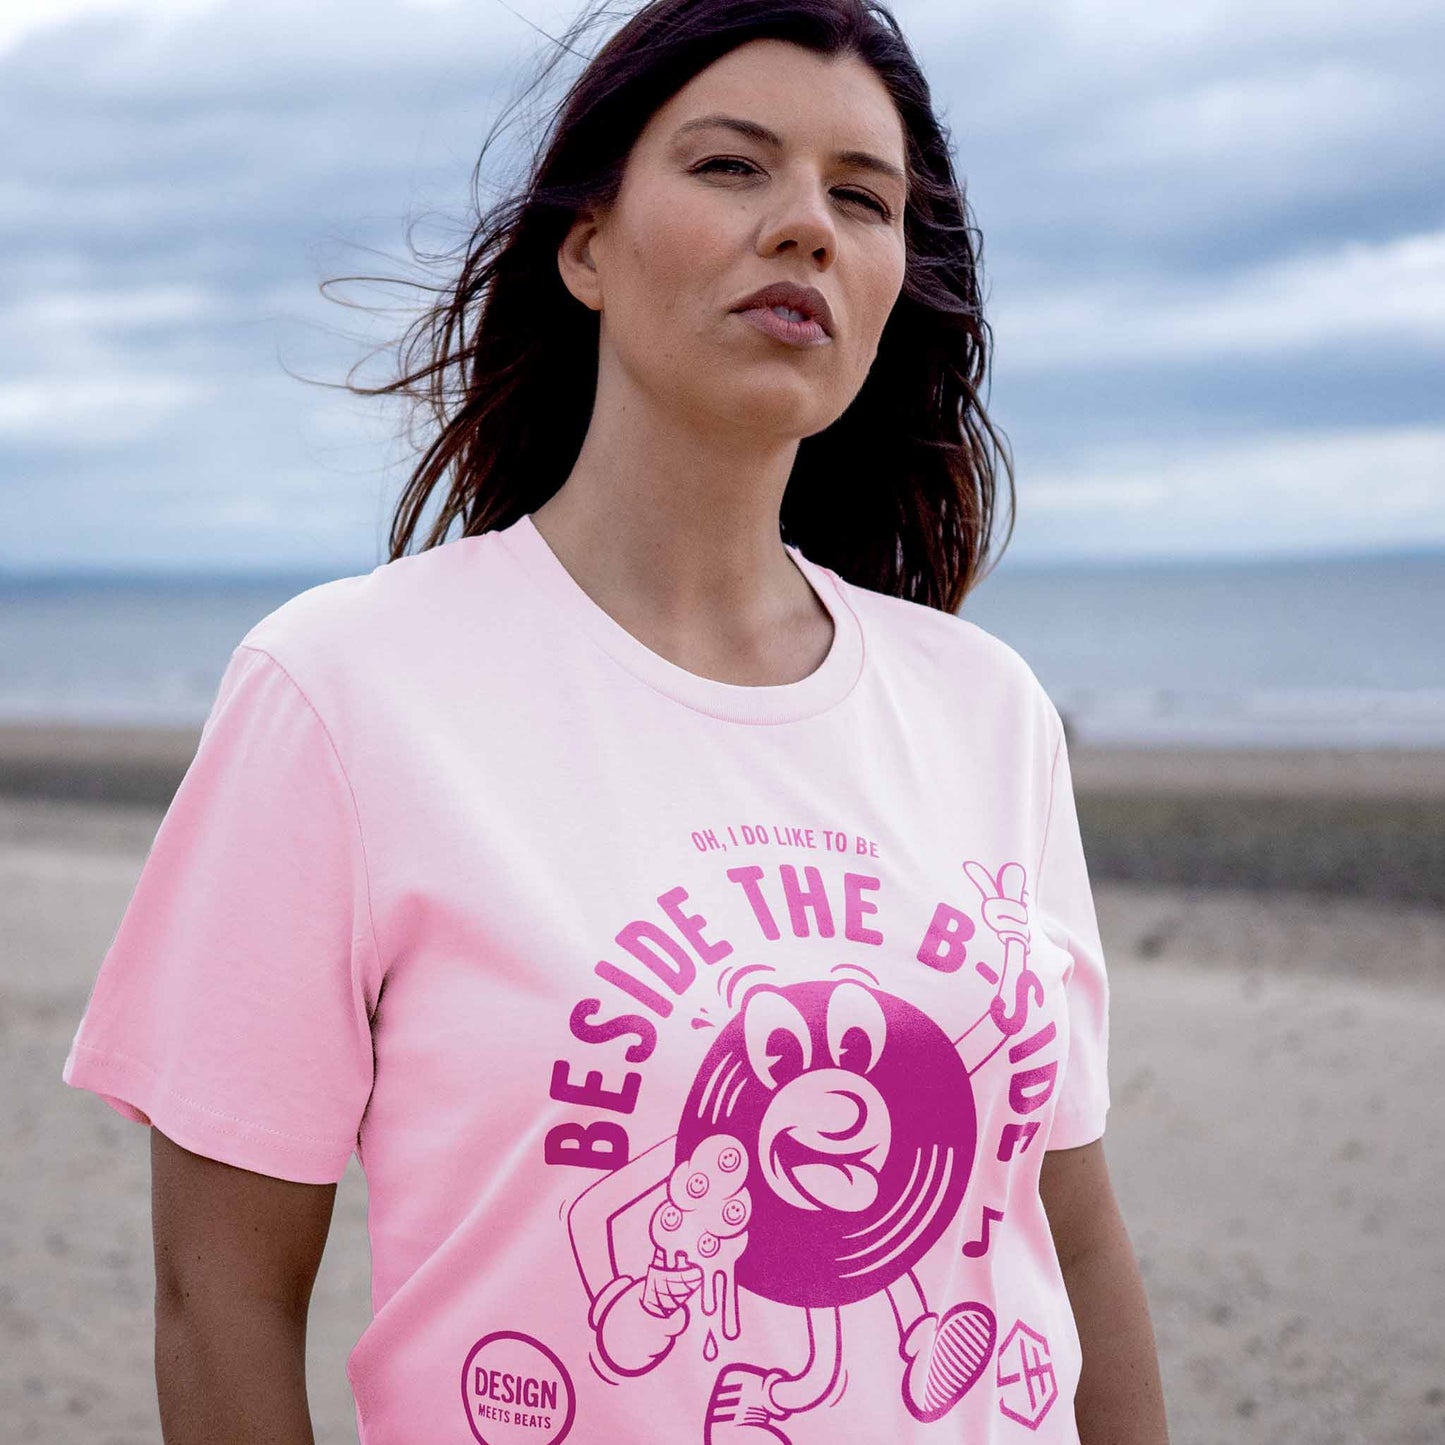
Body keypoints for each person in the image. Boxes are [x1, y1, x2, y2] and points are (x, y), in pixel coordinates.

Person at [62, 1, 1170, 1441]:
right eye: (731, 167)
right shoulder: (343, 690)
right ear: (583, 246)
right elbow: (219, 1307)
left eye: (862, 196)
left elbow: (1068, 1234)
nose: (807, 228)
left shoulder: (986, 712)